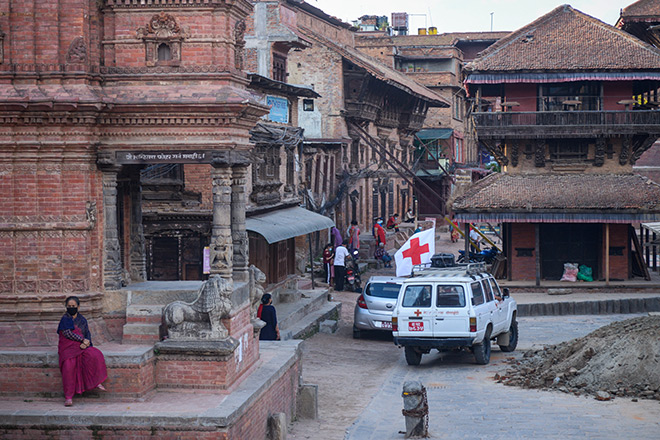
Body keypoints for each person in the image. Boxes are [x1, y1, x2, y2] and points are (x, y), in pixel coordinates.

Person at [57, 296, 108, 407]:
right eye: (69, 306)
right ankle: (68, 397)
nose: (71, 308)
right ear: (66, 307)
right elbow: (67, 333)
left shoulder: (82, 320)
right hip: (68, 348)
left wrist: (87, 342)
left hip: (81, 346)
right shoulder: (65, 319)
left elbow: (87, 334)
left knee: (95, 355)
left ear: (78, 307)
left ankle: (96, 381)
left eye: (73, 306)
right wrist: (82, 340)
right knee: (69, 367)